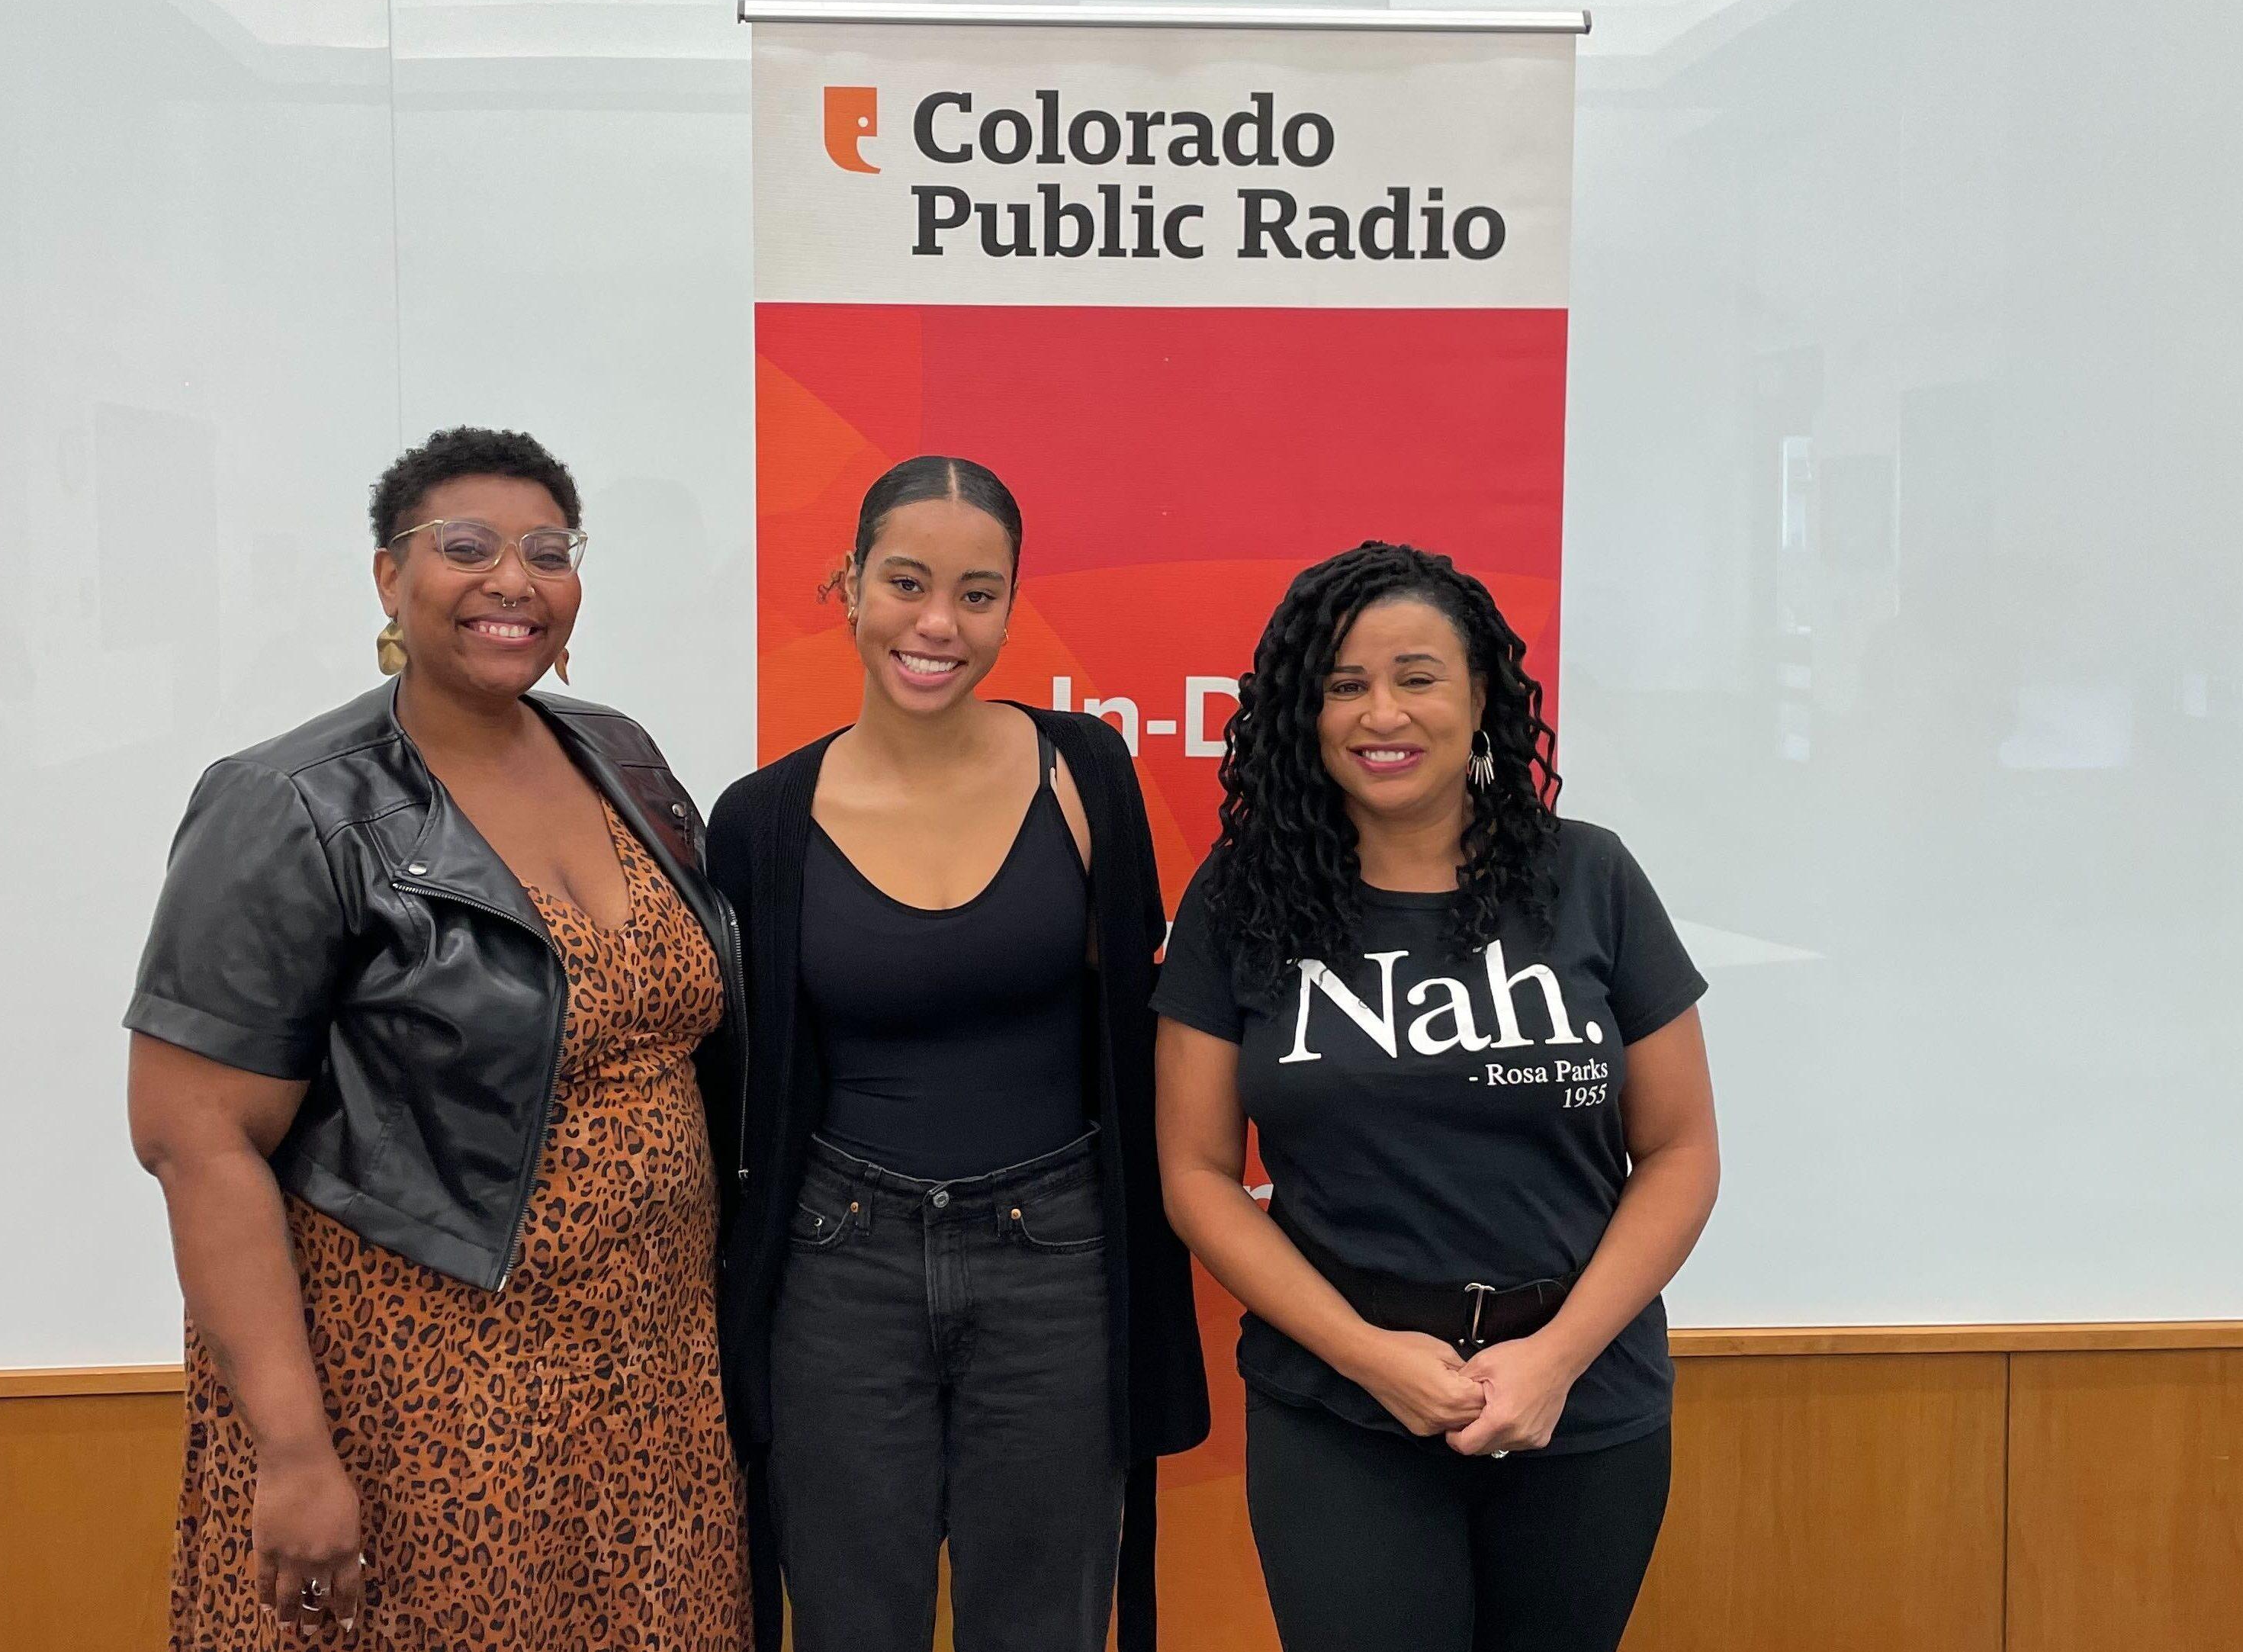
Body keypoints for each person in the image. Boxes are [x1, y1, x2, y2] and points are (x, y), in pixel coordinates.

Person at [124, 426, 751, 1650]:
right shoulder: (293, 804)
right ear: (387, 578)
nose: (513, 580)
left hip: (651, 1390)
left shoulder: (619, 754)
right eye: (465, 547)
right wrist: (295, 1448)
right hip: (419, 1400)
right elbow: (194, 1139)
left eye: (549, 551)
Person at [1152, 542, 1721, 1652]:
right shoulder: (1242, 897)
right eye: (1345, 683)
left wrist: (1553, 1358)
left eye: (1417, 676)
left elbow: (1682, 1151)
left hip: (1583, 1398)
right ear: (1302, 713)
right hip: (1342, 1406)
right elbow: (1198, 1173)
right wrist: (1370, 1353)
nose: (1383, 712)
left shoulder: (1590, 878)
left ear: (1480, 700)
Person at [704, 455, 1210, 1652]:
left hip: (1060, 1259)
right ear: (849, 583)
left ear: (1012, 603)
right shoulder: (760, 819)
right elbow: (738, 1100)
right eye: (907, 582)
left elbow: (1140, 1039)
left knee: (1043, 1624)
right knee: (847, 1621)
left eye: (978, 594)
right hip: (838, 1270)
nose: (938, 624)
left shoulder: (1085, 770)